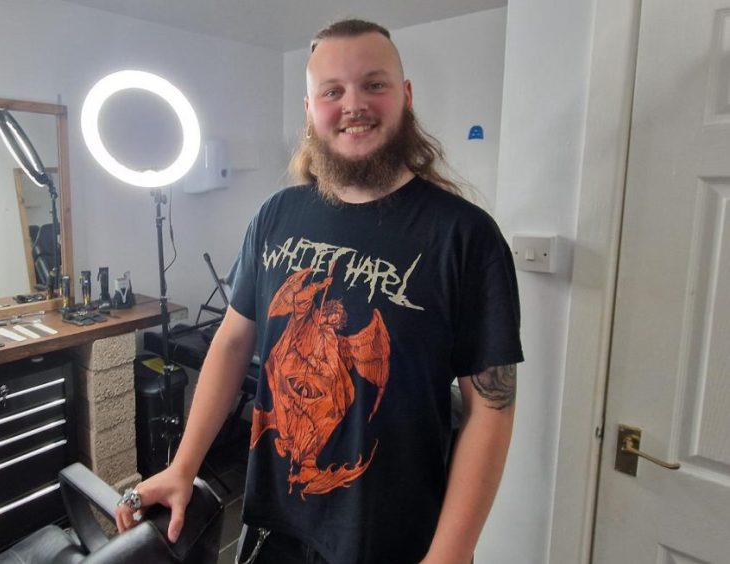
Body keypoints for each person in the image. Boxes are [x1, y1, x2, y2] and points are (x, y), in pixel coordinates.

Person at [117, 19, 523, 564]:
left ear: (404, 97)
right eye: (332, 91)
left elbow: (491, 407)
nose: (352, 104)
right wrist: (183, 465)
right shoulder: (276, 216)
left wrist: (452, 552)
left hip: (397, 538)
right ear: (310, 110)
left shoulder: (465, 236)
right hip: (272, 526)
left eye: (373, 85)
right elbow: (234, 343)